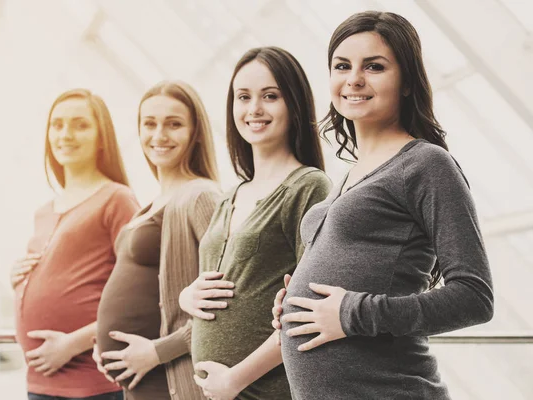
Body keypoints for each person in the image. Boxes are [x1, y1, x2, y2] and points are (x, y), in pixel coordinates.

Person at [271, 11, 494, 399]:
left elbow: (475, 296)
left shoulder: (425, 164)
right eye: (342, 66)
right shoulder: (351, 173)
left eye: (374, 67)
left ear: (407, 82)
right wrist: (295, 306)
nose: (354, 79)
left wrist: (352, 313)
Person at [185, 46, 331, 400]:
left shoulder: (308, 186)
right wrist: (186, 296)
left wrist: (236, 379)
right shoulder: (230, 195)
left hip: (267, 391)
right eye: (243, 97)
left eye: (270, 96)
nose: (254, 109)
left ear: (294, 105)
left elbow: (308, 311)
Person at [93, 80, 221, 400]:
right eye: (149, 124)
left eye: (173, 124)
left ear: (196, 132)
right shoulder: (153, 203)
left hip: (169, 377)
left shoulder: (201, 195)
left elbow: (228, 303)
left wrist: (156, 351)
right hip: (140, 381)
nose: (159, 135)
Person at [11, 88, 140, 400]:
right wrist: (20, 281)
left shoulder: (116, 199)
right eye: (57, 125)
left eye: (80, 125)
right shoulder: (43, 211)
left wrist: (71, 345)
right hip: (41, 382)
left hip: (94, 384)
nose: (65, 134)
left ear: (101, 137)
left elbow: (139, 297)